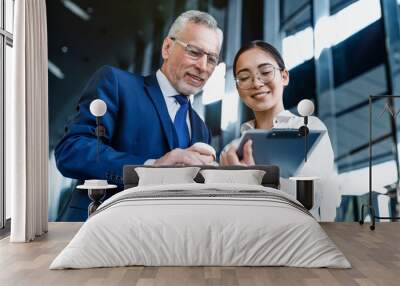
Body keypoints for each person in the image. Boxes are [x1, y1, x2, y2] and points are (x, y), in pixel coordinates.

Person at [55, 10, 223, 221]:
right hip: (99, 229)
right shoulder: (116, 84)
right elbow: (72, 151)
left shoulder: (201, 128)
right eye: (194, 52)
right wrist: (151, 168)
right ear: (167, 47)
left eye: (212, 59)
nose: (202, 66)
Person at [220, 40, 340, 221]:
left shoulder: (308, 129)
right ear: (238, 88)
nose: (256, 83)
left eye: (266, 72)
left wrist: (252, 180)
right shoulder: (232, 150)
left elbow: (312, 198)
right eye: (244, 78)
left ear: (284, 76)